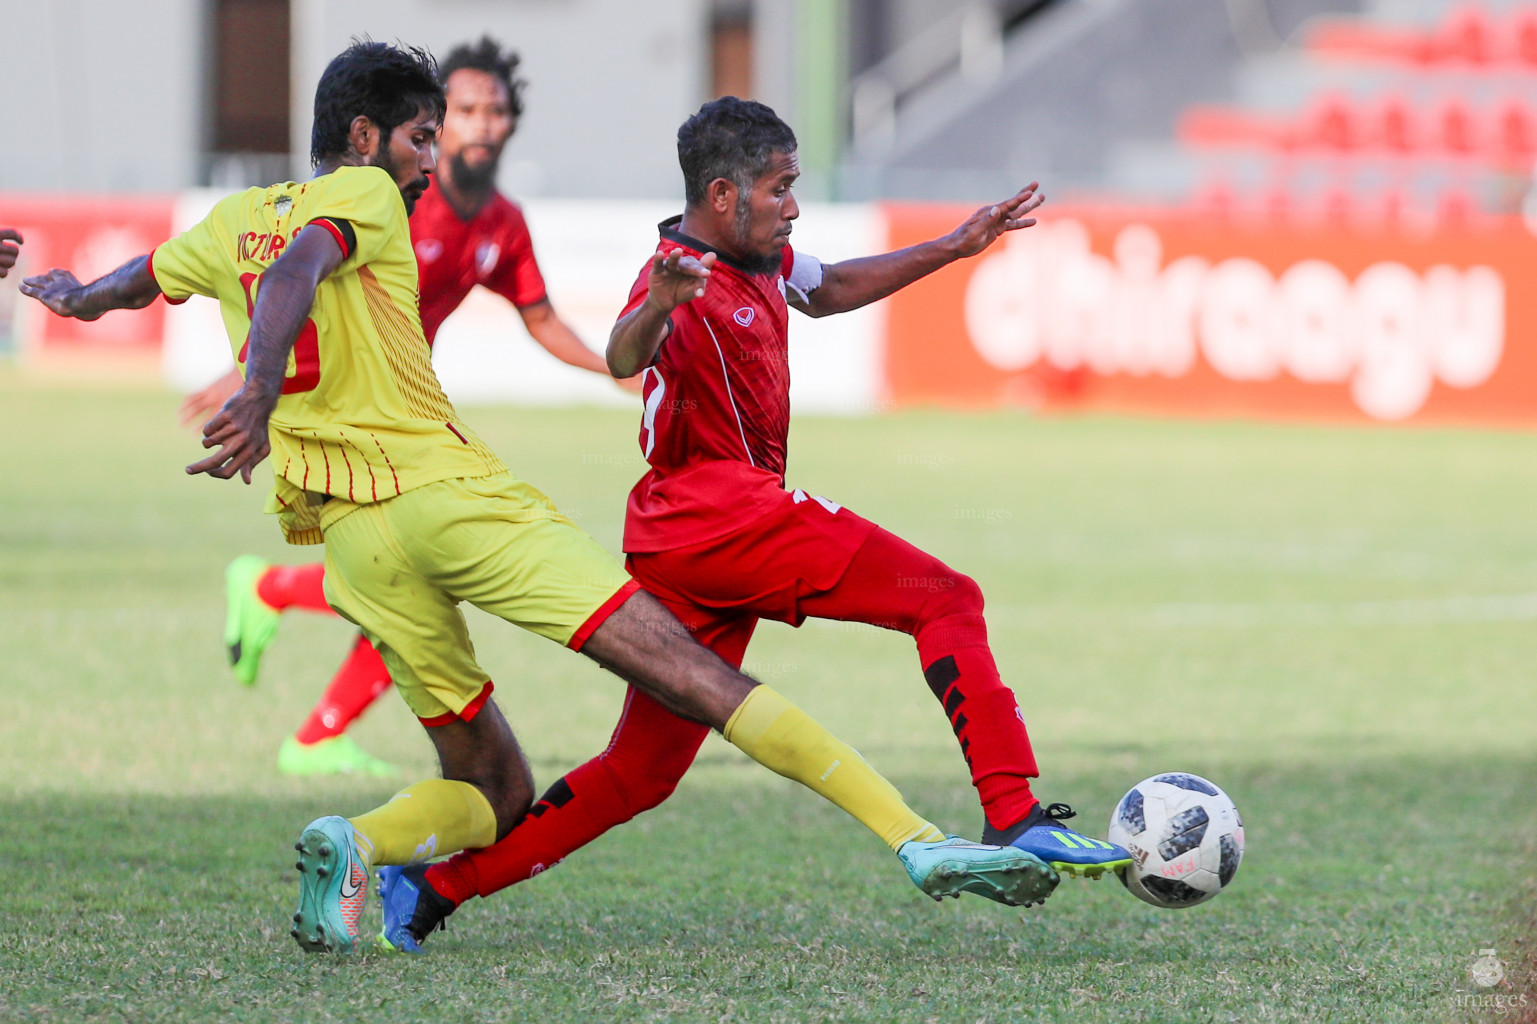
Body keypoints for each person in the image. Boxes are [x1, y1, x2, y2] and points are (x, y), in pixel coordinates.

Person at [21, 42, 1057, 957]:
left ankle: (379, 854)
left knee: (501, 783)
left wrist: (65, 294)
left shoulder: (228, 218)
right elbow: (309, 263)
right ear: (365, 134)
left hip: (352, 536)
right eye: (423, 137)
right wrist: (253, 385)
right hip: (462, 499)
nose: (435, 159)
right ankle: (923, 837)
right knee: (707, 679)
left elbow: (139, 282)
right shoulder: (372, 198)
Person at [372, 97, 1131, 954]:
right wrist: (657, 303)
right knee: (944, 598)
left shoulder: (762, 255)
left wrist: (953, 247)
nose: (794, 205)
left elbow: (831, 287)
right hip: (723, 513)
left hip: (678, 537)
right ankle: (1015, 814)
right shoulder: (679, 272)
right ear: (725, 194)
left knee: (639, 773)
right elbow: (626, 353)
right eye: (781, 188)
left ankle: (434, 889)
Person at [181, 37, 636, 779]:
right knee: (406, 574)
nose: (480, 124)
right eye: (463, 111)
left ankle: (280, 629)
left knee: (403, 577)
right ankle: (305, 699)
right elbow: (298, 279)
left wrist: (611, 371)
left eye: (495, 110)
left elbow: (542, 318)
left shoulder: (499, 222)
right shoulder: (392, 201)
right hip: (342, 414)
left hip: (401, 415)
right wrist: (244, 375)